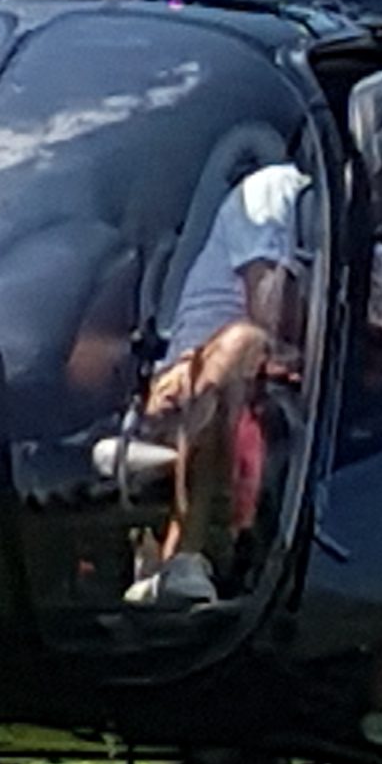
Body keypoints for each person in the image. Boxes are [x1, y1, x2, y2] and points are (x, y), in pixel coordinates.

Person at [125, 159, 314, 607]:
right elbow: (266, 312)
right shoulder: (274, 190)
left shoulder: (377, 252)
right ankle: (186, 557)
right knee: (243, 343)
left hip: (286, 394)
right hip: (183, 386)